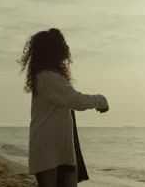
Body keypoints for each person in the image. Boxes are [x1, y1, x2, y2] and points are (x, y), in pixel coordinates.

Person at [20, 28, 109, 187]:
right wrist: (101, 100)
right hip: (49, 150)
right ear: (53, 50)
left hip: (58, 149)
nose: (65, 48)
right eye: (61, 45)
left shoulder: (49, 75)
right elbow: (77, 100)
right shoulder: (47, 77)